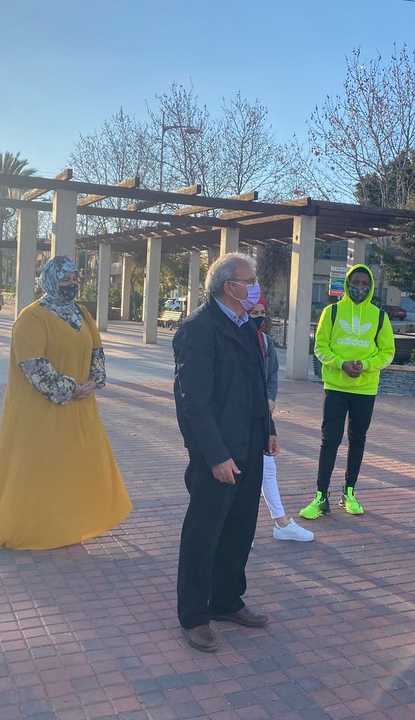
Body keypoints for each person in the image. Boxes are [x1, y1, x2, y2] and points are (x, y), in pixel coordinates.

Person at [0, 256, 131, 550]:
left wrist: (93, 381)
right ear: (49, 280)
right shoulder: (32, 317)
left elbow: (96, 350)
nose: (73, 284)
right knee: (42, 468)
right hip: (43, 411)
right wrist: (70, 387)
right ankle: (36, 530)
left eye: (76, 278)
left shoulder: (81, 313)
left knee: (75, 466)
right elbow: (32, 364)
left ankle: (69, 525)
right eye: (66, 279)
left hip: (80, 407)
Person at [173, 253, 277, 652]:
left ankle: (226, 599)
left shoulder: (248, 325)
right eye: (250, 281)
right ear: (228, 287)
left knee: (239, 528)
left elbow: (257, 387)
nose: (256, 289)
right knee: (204, 532)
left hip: (250, 444)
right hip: (217, 452)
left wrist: (268, 430)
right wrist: (214, 455)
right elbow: (192, 403)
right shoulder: (198, 329)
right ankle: (195, 615)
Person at [300, 264, 395, 520]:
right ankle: (321, 496)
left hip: (365, 389)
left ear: (371, 286)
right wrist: (341, 364)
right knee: (329, 440)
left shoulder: (379, 316)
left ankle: (349, 492)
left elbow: (387, 352)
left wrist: (365, 365)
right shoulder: (331, 313)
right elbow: (320, 347)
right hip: (336, 388)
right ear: (347, 284)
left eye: (365, 284)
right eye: (356, 283)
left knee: (358, 440)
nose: (360, 288)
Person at [248, 297, 313, 543]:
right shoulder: (236, 342)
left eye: (263, 312)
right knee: (247, 473)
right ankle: (245, 528)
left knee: (268, 468)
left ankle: (281, 522)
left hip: (263, 416)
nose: (259, 316)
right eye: (254, 312)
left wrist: (270, 399)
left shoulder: (266, 342)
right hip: (240, 417)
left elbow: (271, 375)